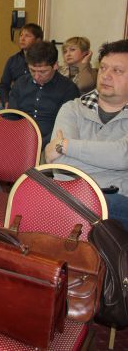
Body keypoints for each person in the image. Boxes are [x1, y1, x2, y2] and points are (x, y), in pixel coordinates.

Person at [45, 39, 128, 230]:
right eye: (103, 68)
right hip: (71, 193)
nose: (106, 75)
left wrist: (66, 145)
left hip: (117, 199)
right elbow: (61, 165)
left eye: (117, 71)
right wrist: (110, 164)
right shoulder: (72, 108)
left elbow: (123, 156)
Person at [9, 41, 79, 147]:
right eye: (32, 70)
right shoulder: (20, 83)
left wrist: (37, 145)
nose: (36, 76)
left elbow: (65, 127)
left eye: (43, 72)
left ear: (55, 65)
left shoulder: (68, 89)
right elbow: (11, 116)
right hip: (18, 139)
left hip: (50, 144)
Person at [0, 23, 43, 108]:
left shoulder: (44, 60)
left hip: (37, 102)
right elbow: (3, 86)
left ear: (38, 40)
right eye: (21, 35)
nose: (22, 39)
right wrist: (6, 101)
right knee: (0, 108)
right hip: (16, 100)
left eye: (27, 36)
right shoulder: (13, 60)